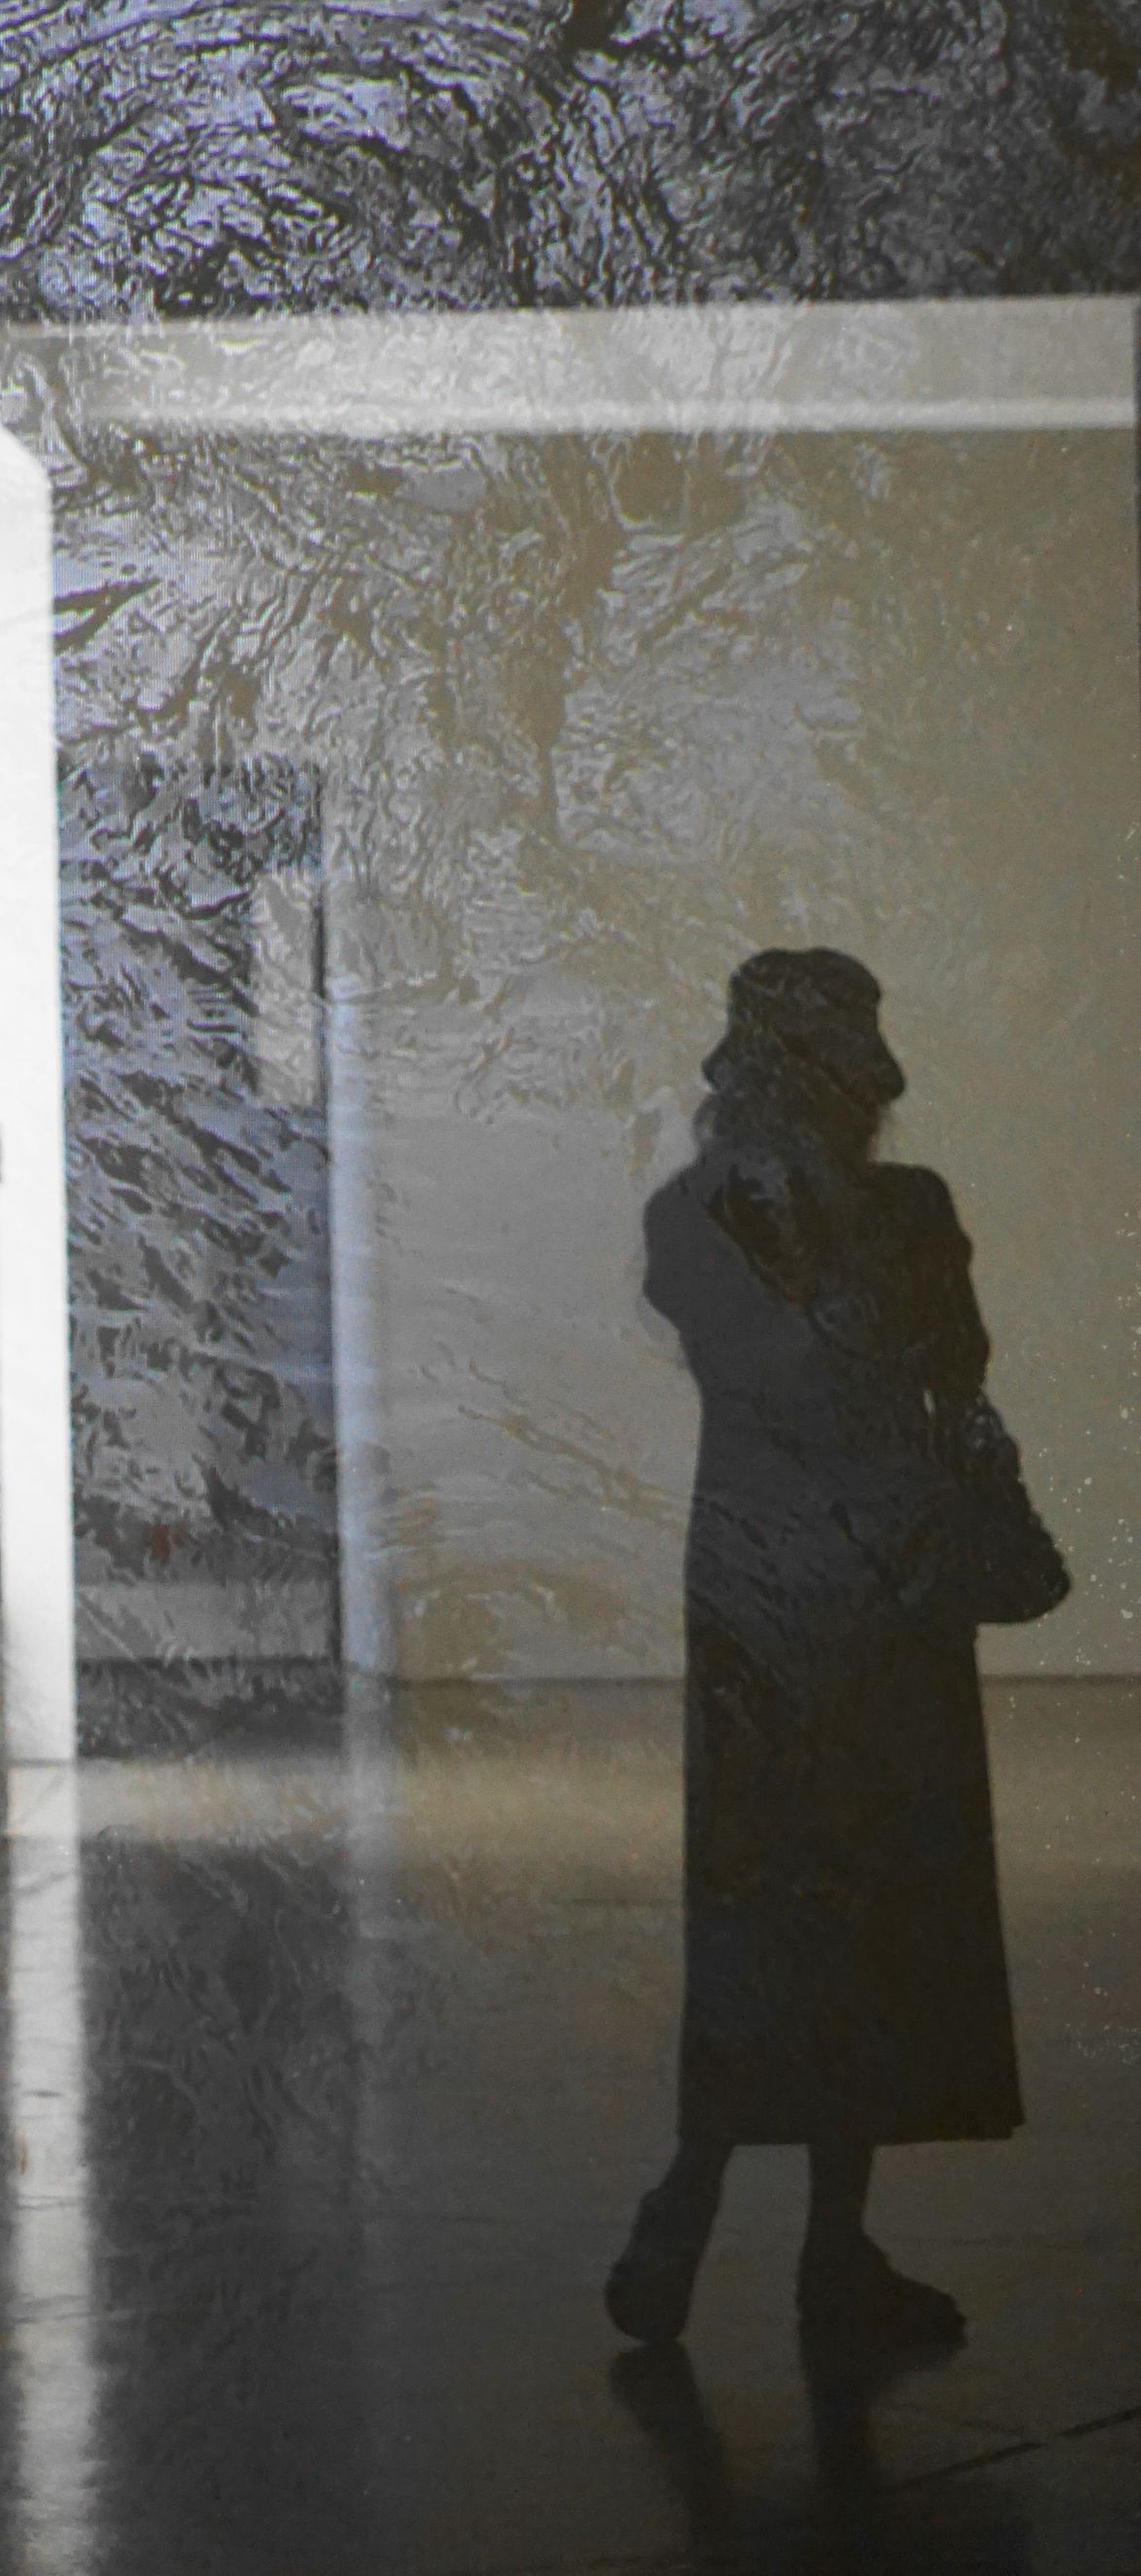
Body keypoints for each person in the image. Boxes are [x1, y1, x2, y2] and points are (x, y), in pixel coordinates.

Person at [606, 948, 1049, 2352]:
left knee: (806, 1911)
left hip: (802, 1593)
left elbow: (918, 1372)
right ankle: (757, 2226)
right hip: (840, 1594)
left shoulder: (714, 1213)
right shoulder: (809, 1216)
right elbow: (869, 1374)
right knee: (823, 1908)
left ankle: (760, 2229)